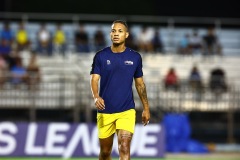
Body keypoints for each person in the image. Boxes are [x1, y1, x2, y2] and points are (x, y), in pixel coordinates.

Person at [90, 20, 150, 160]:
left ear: (127, 35)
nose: (116, 34)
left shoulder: (135, 57)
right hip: (105, 111)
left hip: (126, 110)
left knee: (124, 147)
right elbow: (94, 79)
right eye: (113, 31)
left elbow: (140, 84)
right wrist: (96, 96)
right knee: (105, 152)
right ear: (110, 34)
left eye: (120, 31)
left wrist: (146, 108)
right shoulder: (101, 56)